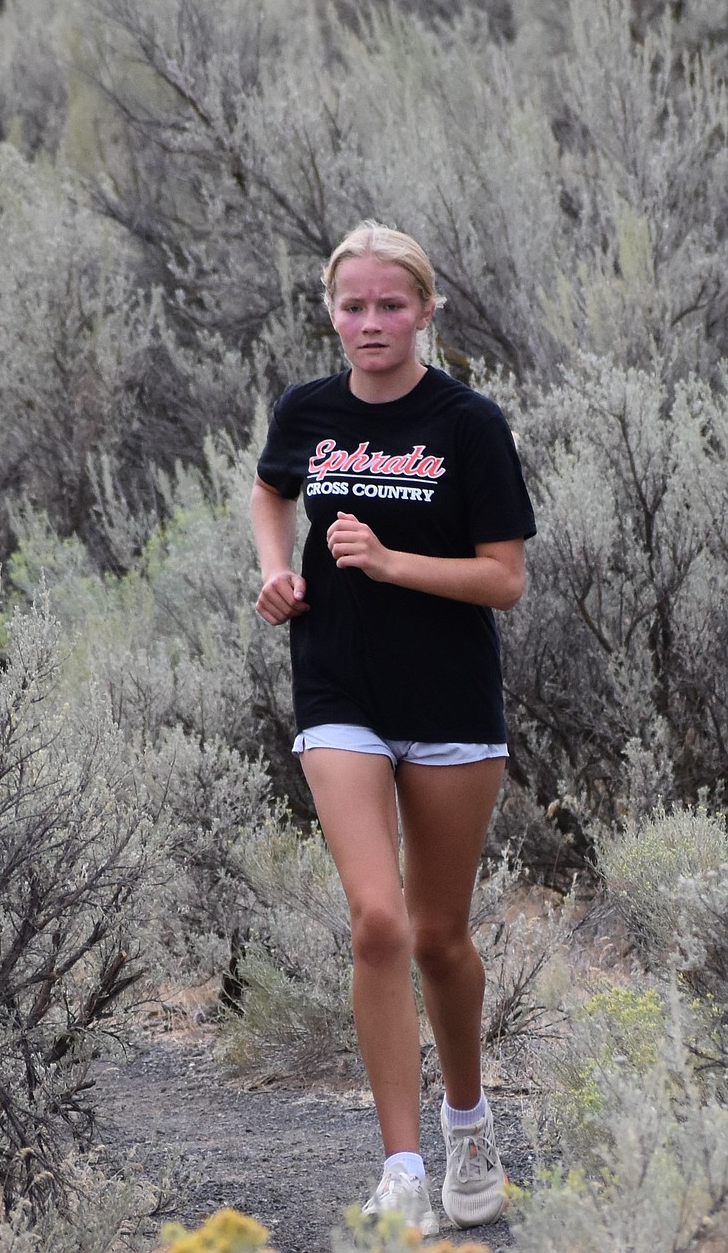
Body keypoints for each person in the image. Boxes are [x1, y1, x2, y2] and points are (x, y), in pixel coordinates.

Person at [250, 220, 536, 1235]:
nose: (370, 323)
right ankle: (403, 1166)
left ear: (425, 310)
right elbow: (270, 486)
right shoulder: (309, 410)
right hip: (339, 692)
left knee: (440, 936)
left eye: (390, 305)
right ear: (331, 309)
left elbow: (503, 578)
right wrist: (275, 569)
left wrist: (388, 561)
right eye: (352, 305)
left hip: (452, 707)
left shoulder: (468, 422)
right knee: (376, 919)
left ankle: (469, 1126)